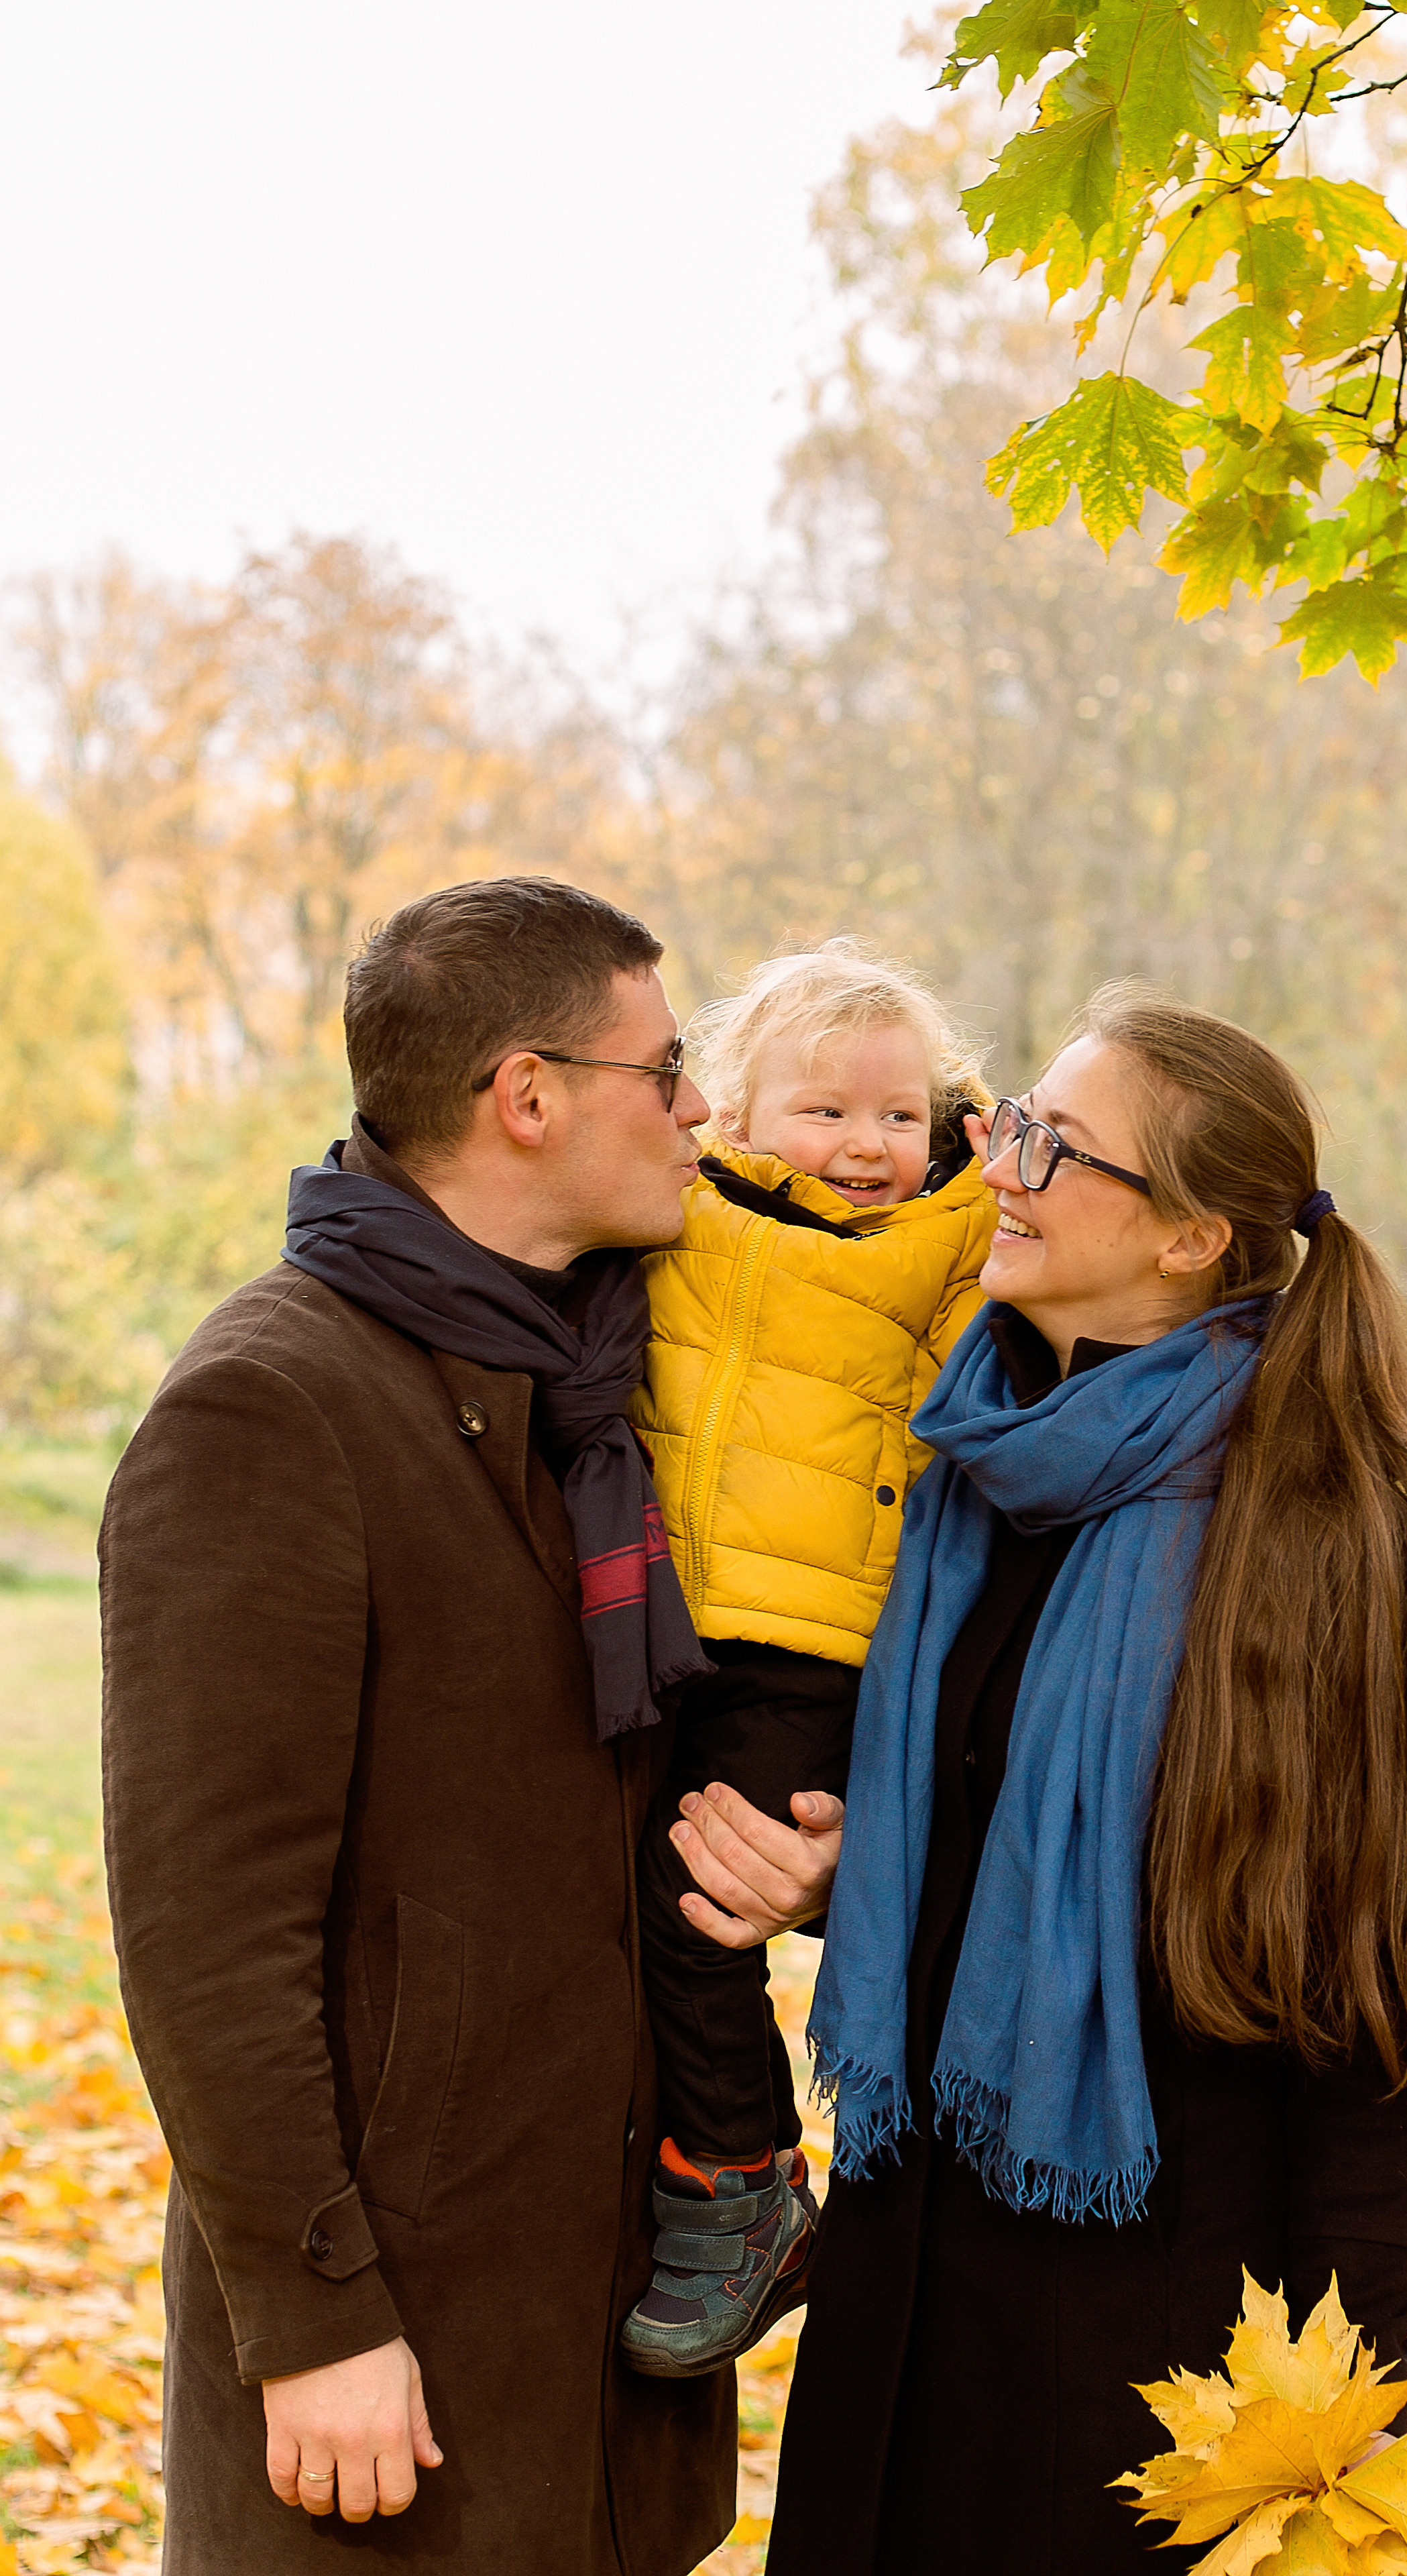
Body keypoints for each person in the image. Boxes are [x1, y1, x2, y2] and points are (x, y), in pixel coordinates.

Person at [99, 876, 839, 2574]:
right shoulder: (271, 1406)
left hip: (594, 2308)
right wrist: (312, 2320)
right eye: (663, 1071)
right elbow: (205, 1931)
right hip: (392, 2336)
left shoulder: (599, 1386)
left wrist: (784, 1854)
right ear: (528, 1097)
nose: (701, 1109)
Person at [767, 985, 1407, 2576]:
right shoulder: (967, 1459)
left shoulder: (1319, 1519)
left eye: (1054, 1144)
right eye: (1009, 1120)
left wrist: (1337, 2401)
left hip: (1164, 2296)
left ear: (1187, 1239)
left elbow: (1358, 1983)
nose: (998, 1164)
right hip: (907, 2259)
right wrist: (846, 1868)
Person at [620, 941, 995, 2377]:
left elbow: (1006, 1268)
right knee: (630, 1888)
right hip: (666, 1635)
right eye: (825, 1111)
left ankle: (744, 2177)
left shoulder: (940, 1247)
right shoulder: (682, 1220)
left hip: (819, 1648)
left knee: (698, 1905)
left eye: (898, 1115)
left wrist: (977, 1143)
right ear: (734, 1109)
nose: (863, 1147)